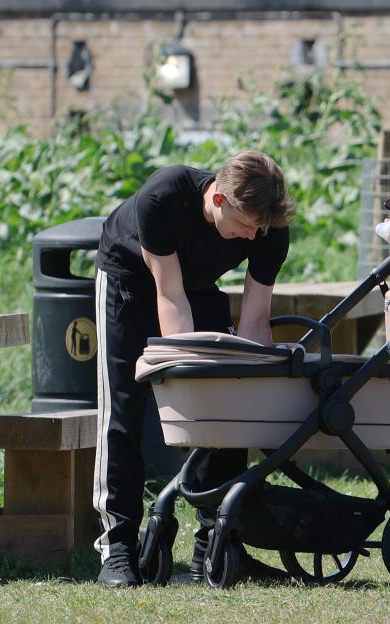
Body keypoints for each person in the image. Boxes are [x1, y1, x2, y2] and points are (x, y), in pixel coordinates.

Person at [93, 151, 295, 587]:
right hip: (130, 282)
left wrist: (249, 384)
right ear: (218, 200)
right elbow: (169, 296)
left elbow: (256, 321)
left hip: (197, 289)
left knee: (228, 402)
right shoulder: (162, 197)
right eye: (246, 225)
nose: (253, 235)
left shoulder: (268, 228)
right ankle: (119, 546)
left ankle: (215, 545)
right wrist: (182, 376)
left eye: (260, 228)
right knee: (124, 411)